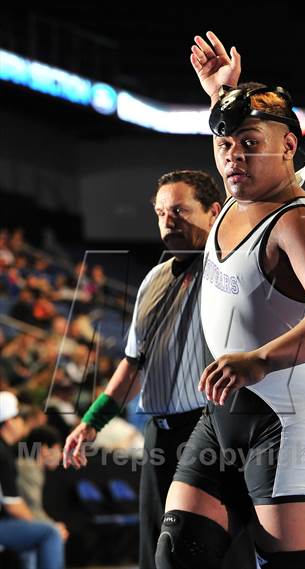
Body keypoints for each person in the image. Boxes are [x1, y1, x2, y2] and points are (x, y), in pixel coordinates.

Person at [154, 32, 305, 569]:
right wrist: (221, 94)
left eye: (251, 143)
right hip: (223, 413)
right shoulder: (235, 197)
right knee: (179, 556)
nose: (234, 156)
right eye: (225, 145)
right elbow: (234, 132)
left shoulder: (300, 220)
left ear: (289, 146)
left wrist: (262, 358)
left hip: (293, 419)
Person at [63, 170, 226, 569]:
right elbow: (133, 363)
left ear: (214, 212)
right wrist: (91, 422)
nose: (168, 220)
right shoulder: (152, 280)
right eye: (160, 212)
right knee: (155, 551)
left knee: (206, 550)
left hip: (209, 431)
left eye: (181, 210)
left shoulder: (230, 271)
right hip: (159, 435)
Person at [0, 391, 65, 569]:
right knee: (50, 533)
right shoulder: (8, 457)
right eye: (19, 418)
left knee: (38, 534)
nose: (23, 423)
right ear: (8, 422)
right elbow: (14, 506)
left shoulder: (8, 453)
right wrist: (49, 526)